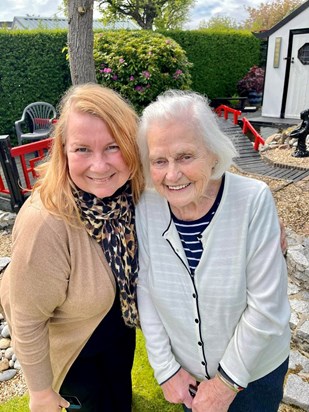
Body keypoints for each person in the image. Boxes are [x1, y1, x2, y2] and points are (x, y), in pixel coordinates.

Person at [136, 90, 291, 412]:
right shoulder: (146, 206)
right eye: (159, 161)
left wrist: (225, 384)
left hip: (254, 375)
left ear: (213, 153)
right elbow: (146, 289)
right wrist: (165, 369)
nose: (172, 174)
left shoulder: (252, 200)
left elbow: (267, 307)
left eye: (185, 156)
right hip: (187, 375)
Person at [0, 83, 144, 412]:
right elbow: (26, 319)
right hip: (74, 352)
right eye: (82, 150)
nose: (99, 165)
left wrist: (253, 216)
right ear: (63, 151)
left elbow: (187, 178)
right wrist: (39, 392)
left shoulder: (129, 193)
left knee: (120, 397)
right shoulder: (46, 222)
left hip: (117, 327)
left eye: (112, 147)